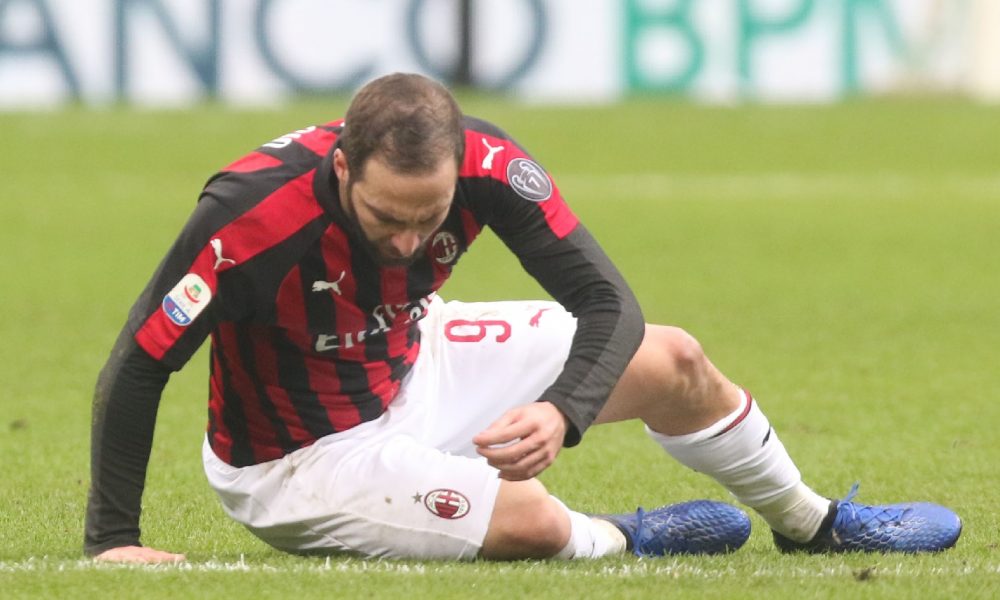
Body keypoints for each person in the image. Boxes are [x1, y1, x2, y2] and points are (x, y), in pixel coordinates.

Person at [85, 73, 961, 563]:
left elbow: (608, 302)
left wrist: (562, 410)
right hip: (299, 457)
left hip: (414, 358)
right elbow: (140, 360)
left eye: (428, 218)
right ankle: (626, 538)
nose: (409, 240)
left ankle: (813, 525)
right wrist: (112, 541)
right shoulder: (249, 218)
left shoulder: (490, 165)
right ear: (343, 167)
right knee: (531, 520)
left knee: (676, 361)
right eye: (386, 217)